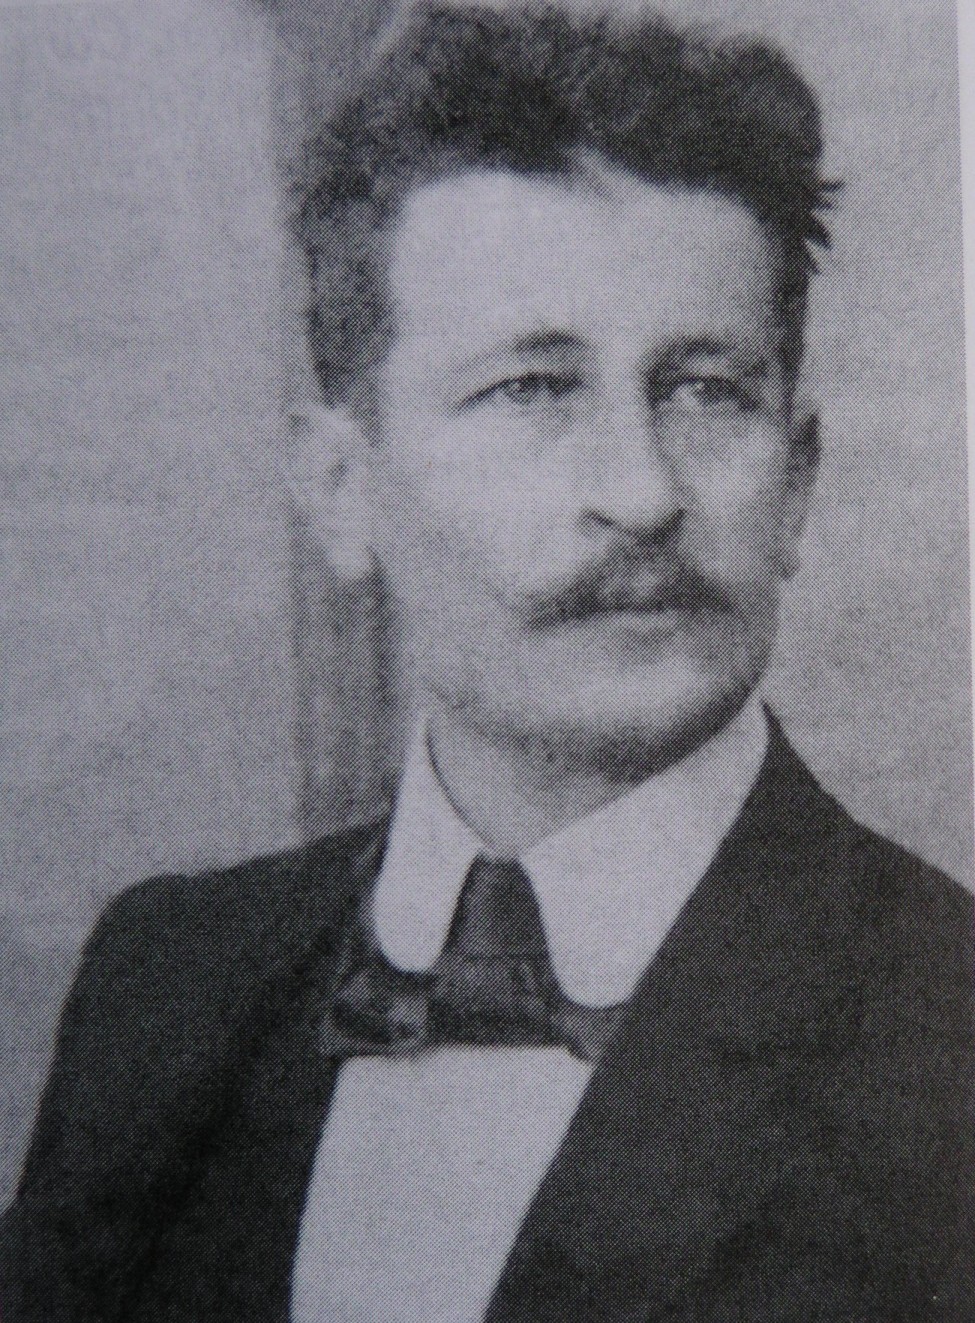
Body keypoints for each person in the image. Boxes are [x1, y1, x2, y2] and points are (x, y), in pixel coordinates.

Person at [1, 4, 972, 1320]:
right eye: (533, 389)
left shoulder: (947, 1026)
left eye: (707, 390)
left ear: (795, 484)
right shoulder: (167, 983)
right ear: (344, 489)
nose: (642, 493)